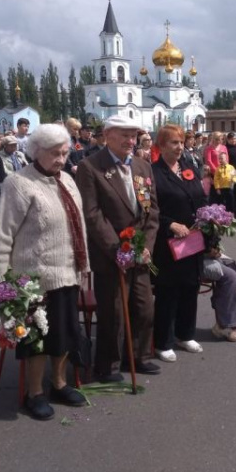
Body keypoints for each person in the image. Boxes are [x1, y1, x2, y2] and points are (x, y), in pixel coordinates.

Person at [0, 124, 89, 421]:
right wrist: (2, 281)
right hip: (34, 278)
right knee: (37, 339)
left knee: (65, 334)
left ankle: (59, 383)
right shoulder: (18, 184)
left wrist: (84, 268)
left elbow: (79, 226)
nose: (61, 159)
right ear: (36, 152)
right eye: (55, 153)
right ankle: (34, 392)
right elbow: (3, 234)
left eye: (64, 152)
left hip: (68, 272)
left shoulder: (69, 180)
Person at [76, 114, 160, 382]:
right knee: (113, 311)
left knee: (144, 306)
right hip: (110, 253)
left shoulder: (142, 166)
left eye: (133, 135)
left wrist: (146, 245)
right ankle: (109, 365)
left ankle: (139, 356)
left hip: (140, 252)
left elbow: (151, 210)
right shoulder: (91, 167)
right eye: (124, 134)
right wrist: (117, 249)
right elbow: (92, 214)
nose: (130, 140)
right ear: (107, 135)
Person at [150, 125, 207, 363]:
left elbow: (202, 198)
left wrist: (209, 221)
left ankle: (185, 334)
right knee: (168, 292)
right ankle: (163, 341)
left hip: (193, 240)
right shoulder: (153, 173)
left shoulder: (189, 168)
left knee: (190, 288)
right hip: (168, 243)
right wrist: (169, 224)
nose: (179, 147)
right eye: (173, 143)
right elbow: (149, 210)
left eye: (181, 142)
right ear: (161, 146)